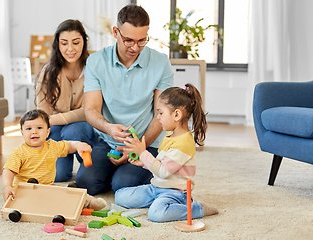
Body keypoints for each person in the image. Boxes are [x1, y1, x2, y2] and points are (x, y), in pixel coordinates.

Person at [75, 4, 174, 195]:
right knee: (86, 183)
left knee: (123, 185)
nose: (135, 47)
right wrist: (109, 128)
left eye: (141, 40)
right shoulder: (96, 61)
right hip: (109, 141)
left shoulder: (160, 62)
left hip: (147, 142)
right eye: (128, 40)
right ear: (115, 32)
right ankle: (117, 174)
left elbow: (162, 115)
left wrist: (139, 147)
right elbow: (91, 110)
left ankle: (136, 172)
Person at [115, 84, 219, 222]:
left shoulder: (184, 143)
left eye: (160, 113)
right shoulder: (169, 137)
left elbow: (163, 171)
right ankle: (163, 205)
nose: (157, 117)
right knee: (119, 196)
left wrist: (143, 152)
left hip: (175, 193)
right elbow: (162, 164)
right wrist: (144, 162)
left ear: (176, 115)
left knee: (156, 214)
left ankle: (197, 209)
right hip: (156, 187)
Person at [2, 109, 106, 210]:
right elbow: (8, 170)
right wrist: (7, 186)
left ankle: (89, 202)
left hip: (48, 188)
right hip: (25, 190)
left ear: (47, 132)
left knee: (66, 193)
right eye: (29, 129)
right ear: (22, 132)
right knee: (21, 202)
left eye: (39, 128)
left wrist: (78, 145)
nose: (34, 132)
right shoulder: (19, 152)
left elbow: (68, 145)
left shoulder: (52, 146)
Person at [35, 19, 97, 182]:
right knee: (58, 175)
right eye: (64, 43)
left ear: (84, 42)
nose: (70, 49)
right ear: (58, 45)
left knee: (72, 131)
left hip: (85, 125)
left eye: (76, 42)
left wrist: (54, 119)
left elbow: (90, 110)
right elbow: (43, 112)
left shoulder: (94, 67)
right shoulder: (48, 71)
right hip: (55, 127)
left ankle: (89, 170)